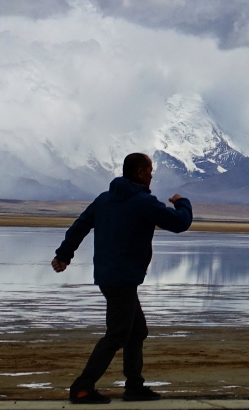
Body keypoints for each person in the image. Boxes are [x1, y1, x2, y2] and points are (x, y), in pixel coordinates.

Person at [52, 152, 193, 404]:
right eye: (150, 171)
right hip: (122, 278)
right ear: (139, 173)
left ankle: (134, 386)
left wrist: (64, 255)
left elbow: (80, 225)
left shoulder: (104, 199)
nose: (152, 175)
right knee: (117, 334)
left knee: (137, 331)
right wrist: (182, 202)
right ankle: (82, 388)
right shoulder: (142, 202)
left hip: (110, 276)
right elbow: (180, 223)